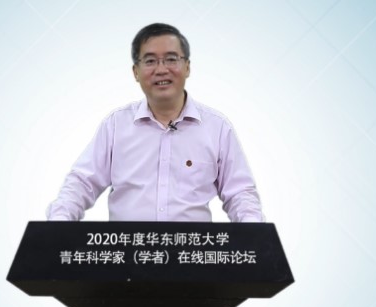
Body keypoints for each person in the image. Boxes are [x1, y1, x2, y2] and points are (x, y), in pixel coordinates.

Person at [47, 23, 264, 223]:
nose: (161, 70)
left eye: (171, 59)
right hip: (127, 249)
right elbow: (82, 183)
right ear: (136, 72)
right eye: (150, 61)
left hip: (192, 249)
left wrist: (253, 231)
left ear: (187, 67)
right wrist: (59, 221)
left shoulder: (217, 128)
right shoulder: (116, 125)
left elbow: (240, 194)